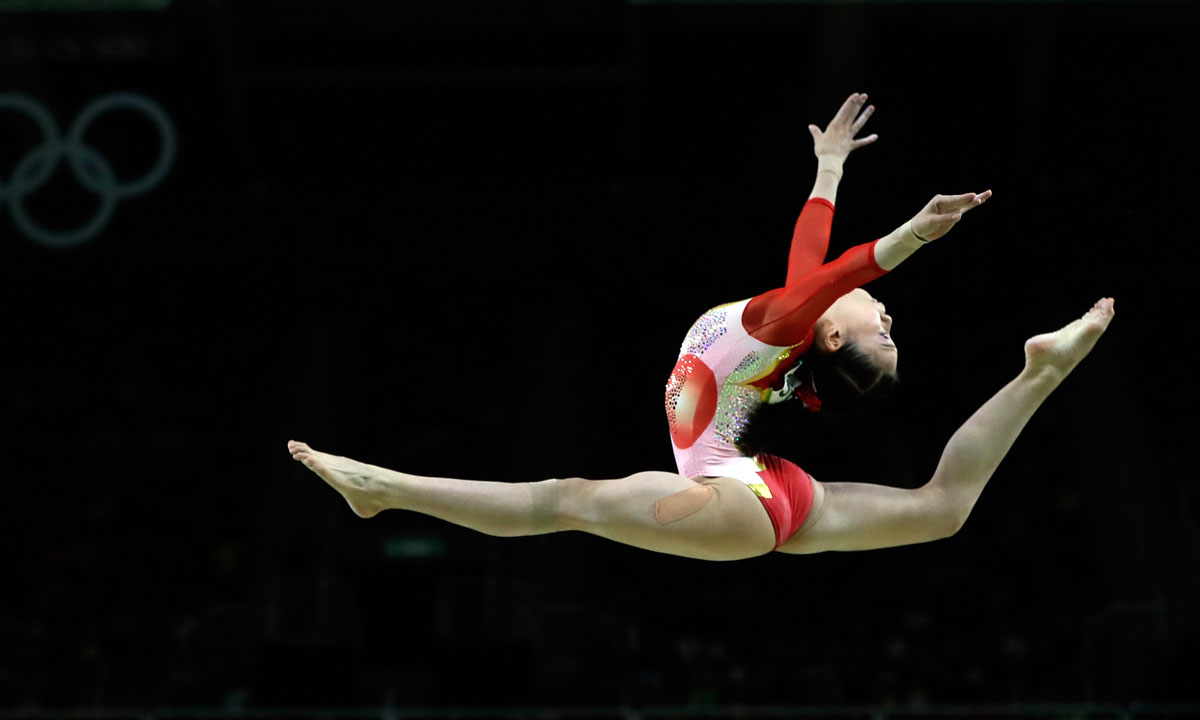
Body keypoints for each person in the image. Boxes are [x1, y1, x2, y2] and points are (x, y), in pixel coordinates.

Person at [287, 92, 1115, 561]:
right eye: (889, 325)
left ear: (832, 338)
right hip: (765, 490)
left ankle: (383, 488)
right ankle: (1040, 372)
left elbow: (842, 270)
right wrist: (829, 168)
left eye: (882, 331)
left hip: (737, 494)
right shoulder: (785, 322)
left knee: (566, 501)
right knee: (943, 509)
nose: (887, 316)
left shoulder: (785, 321)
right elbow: (820, 262)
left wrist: (908, 236)